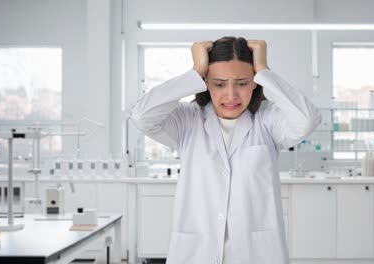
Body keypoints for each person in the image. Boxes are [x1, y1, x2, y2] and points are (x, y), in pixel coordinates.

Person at [131, 36, 321, 264]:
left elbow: (308, 120)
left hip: (256, 254)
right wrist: (194, 71)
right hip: (196, 253)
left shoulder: (268, 119)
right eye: (219, 84)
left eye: (242, 83)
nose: (231, 96)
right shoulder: (187, 120)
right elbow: (142, 117)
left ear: (255, 82)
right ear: (205, 82)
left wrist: (264, 70)